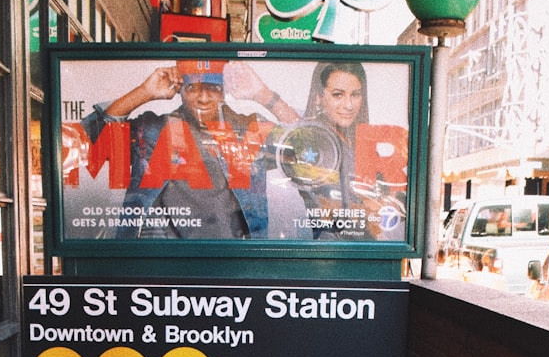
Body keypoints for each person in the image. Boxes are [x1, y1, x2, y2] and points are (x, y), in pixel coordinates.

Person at [79, 59, 299, 239]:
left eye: (212, 88)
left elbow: (311, 150)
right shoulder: (153, 129)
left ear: (224, 91)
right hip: (161, 266)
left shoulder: (250, 129)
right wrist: (144, 93)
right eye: (192, 87)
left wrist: (263, 95)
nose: (203, 99)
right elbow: (86, 142)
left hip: (234, 263)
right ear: (180, 90)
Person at [291, 61, 407, 241]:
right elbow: (326, 206)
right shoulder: (316, 139)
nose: (349, 105)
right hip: (328, 251)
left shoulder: (358, 141)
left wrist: (388, 201)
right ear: (319, 97)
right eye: (338, 95)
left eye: (355, 95)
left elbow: (390, 196)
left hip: (365, 250)